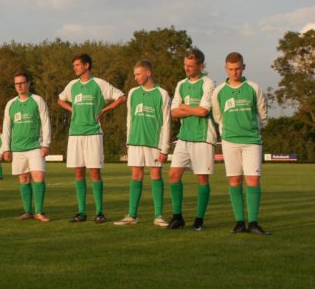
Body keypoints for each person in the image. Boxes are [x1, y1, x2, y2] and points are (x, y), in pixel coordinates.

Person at [58, 53, 126, 223]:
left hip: (93, 133)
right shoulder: (72, 85)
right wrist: (71, 109)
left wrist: (104, 110)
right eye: (74, 65)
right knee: (79, 171)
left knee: (94, 171)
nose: (74, 68)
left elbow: (121, 97)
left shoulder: (99, 83)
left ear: (86, 65)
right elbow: (60, 100)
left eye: (77, 65)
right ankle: (81, 212)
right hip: (75, 134)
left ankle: (99, 212)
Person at [212, 52, 270, 235]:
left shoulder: (253, 87)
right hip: (230, 142)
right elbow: (218, 116)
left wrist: (253, 129)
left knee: (253, 179)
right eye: (231, 69)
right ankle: (239, 223)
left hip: (252, 141)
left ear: (243, 67)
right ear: (226, 68)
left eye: (237, 68)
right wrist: (228, 132)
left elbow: (263, 115)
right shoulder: (219, 91)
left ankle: (253, 223)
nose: (234, 72)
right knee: (234, 180)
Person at [114, 60, 171, 227]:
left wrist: (165, 147)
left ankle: (159, 216)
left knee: (156, 175)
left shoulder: (162, 94)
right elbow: (129, 119)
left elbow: (166, 122)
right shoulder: (132, 93)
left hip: (154, 143)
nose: (135, 77)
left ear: (148, 73)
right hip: (135, 142)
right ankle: (132, 215)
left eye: (138, 74)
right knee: (136, 176)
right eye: (134, 74)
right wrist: (128, 141)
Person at [167, 48, 217, 230]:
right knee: (173, 175)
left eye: (191, 65)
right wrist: (191, 109)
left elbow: (203, 111)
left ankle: (199, 219)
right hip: (184, 137)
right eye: (185, 65)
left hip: (203, 137)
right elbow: (173, 112)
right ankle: (177, 217)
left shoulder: (208, 83)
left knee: (202, 178)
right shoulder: (181, 84)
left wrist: (184, 107)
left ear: (200, 66)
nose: (186, 68)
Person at [0, 72, 51, 222]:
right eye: (17, 83)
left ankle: (39, 212)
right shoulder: (11, 104)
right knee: (23, 179)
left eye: (22, 83)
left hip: (35, 146)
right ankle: (28, 211)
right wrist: (6, 148)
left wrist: (46, 144)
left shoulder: (37, 100)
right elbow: (6, 127)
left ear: (28, 83)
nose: (19, 86)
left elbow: (46, 122)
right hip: (17, 148)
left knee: (39, 176)